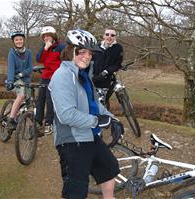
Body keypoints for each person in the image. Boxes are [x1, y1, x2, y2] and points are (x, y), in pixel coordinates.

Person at [48, 29, 124, 199]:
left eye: (90, 53)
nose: (87, 56)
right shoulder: (63, 76)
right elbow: (66, 115)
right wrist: (97, 121)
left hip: (90, 135)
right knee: (76, 190)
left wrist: (113, 120)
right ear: (70, 51)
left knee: (109, 168)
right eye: (81, 51)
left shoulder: (84, 75)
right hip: (71, 141)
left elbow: (95, 104)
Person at [35, 26, 65, 135]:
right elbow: (39, 59)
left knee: (50, 99)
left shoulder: (61, 47)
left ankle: (49, 123)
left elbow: (65, 61)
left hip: (56, 77)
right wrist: (45, 48)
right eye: (44, 36)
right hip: (45, 76)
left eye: (49, 36)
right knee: (40, 99)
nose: (46, 38)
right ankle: (38, 121)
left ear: (53, 36)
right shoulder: (44, 47)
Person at [5, 31, 33, 130]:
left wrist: (22, 74)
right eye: (16, 39)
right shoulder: (12, 53)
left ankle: (31, 127)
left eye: (20, 39)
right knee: (21, 95)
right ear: (14, 41)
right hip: (15, 80)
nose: (19, 41)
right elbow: (10, 69)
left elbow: (30, 68)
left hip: (26, 80)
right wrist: (10, 81)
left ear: (23, 40)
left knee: (30, 102)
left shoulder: (28, 52)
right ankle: (11, 120)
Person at [92, 27, 123, 91]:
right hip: (92, 79)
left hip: (106, 80)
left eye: (112, 35)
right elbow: (91, 61)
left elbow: (117, 64)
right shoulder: (96, 46)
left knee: (102, 99)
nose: (109, 37)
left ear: (115, 37)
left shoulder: (118, 48)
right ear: (103, 36)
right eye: (107, 34)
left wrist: (105, 72)